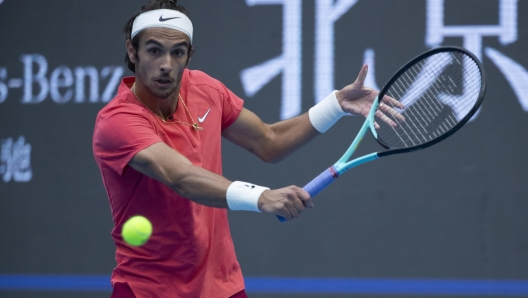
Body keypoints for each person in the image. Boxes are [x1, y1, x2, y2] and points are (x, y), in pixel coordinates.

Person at [92, 0, 399, 297]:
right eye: (154, 50)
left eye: (178, 53)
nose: (166, 65)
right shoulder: (118, 121)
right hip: (148, 291)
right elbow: (180, 177)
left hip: (222, 286)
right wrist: (261, 197)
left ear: (189, 55)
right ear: (133, 51)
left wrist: (335, 106)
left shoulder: (205, 90)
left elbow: (269, 142)